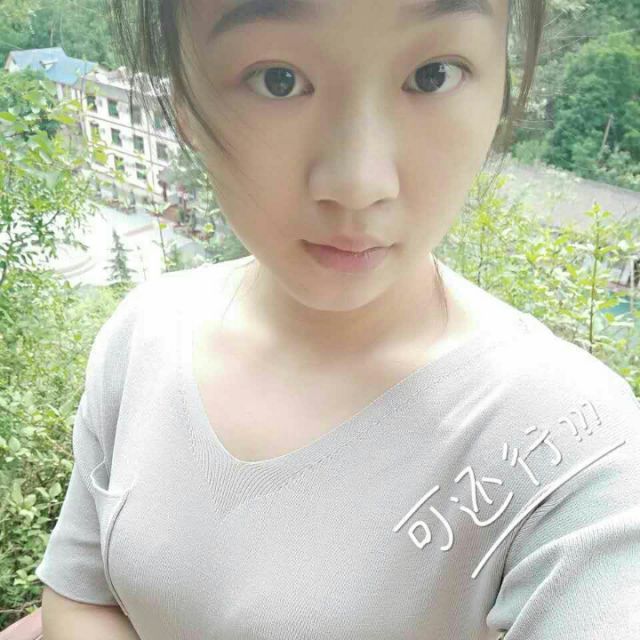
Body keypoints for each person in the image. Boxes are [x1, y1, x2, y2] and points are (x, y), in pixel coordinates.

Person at [34, 1, 640, 639]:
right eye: (278, 80)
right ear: (184, 104)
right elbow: (81, 593)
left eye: (432, 75)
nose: (359, 184)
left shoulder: (574, 446)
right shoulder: (146, 333)